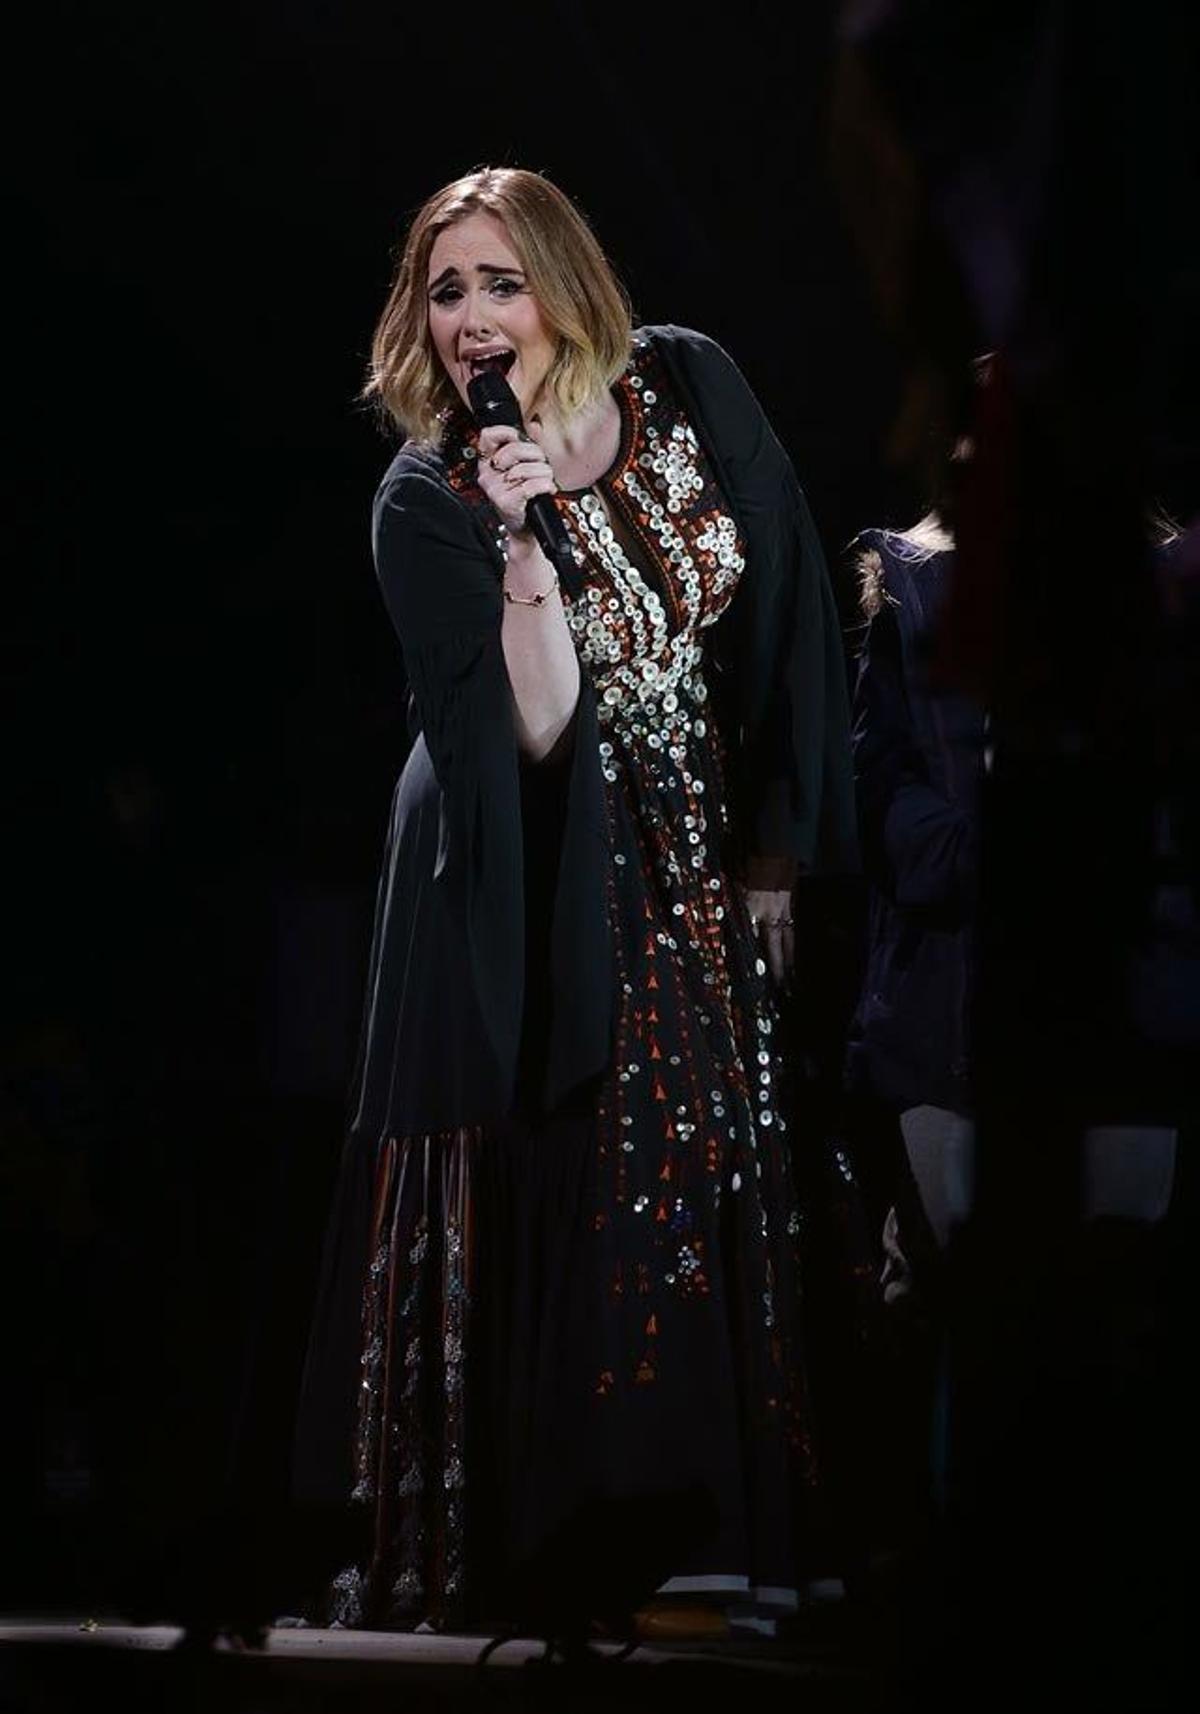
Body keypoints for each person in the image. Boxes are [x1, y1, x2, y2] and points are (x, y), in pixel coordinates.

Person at [292, 167, 860, 1635]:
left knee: (722, 1157)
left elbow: (788, 586)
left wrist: (779, 848)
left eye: (501, 279)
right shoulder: (426, 492)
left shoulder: (685, 380)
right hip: (528, 855)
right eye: (445, 289)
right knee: (602, 1155)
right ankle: (595, 1547)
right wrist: (524, 539)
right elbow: (532, 739)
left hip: (701, 836)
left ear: (563, 281)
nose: (476, 318)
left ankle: (735, 1548)